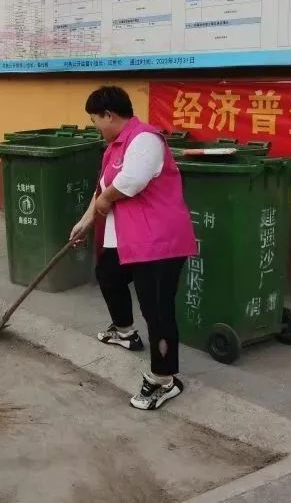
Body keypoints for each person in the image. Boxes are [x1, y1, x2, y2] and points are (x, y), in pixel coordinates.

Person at [69, 86, 197, 410]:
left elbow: (129, 183)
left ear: (109, 115)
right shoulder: (114, 147)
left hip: (158, 243)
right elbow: (102, 190)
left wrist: (104, 201)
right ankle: (124, 331)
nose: (95, 126)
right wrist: (86, 221)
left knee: (157, 311)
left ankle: (164, 380)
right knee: (107, 274)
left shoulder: (145, 139)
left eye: (96, 120)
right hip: (128, 238)